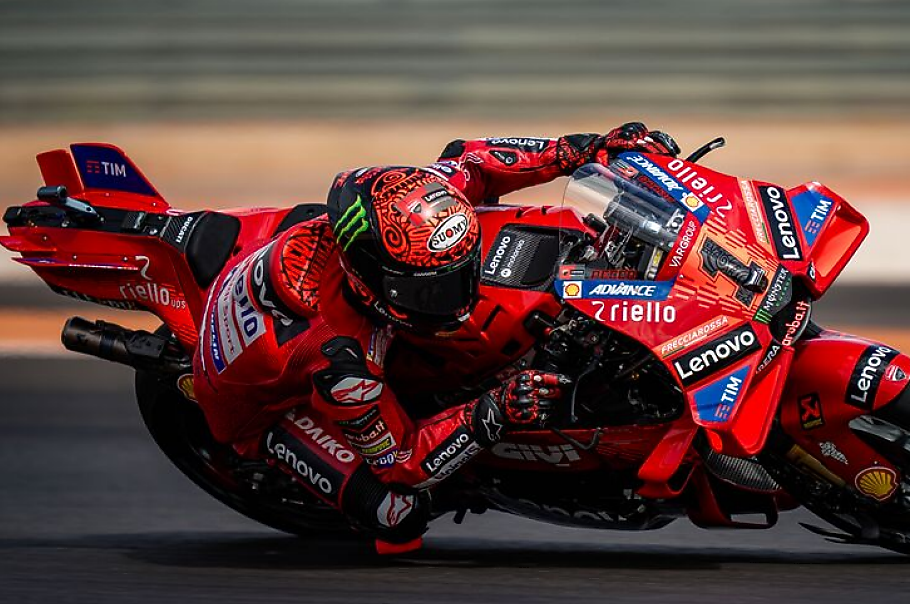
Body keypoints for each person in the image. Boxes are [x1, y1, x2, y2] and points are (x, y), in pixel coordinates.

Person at [192, 122, 680, 553]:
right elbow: (400, 462)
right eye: (434, 290)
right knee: (399, 513)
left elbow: (473, 159)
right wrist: (494, 410)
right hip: (261, 411)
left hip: (271, 252)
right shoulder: (343, 361)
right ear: (372, 283)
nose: (459, 297)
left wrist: (587, 149)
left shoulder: (417, 202)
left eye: (461, 273)